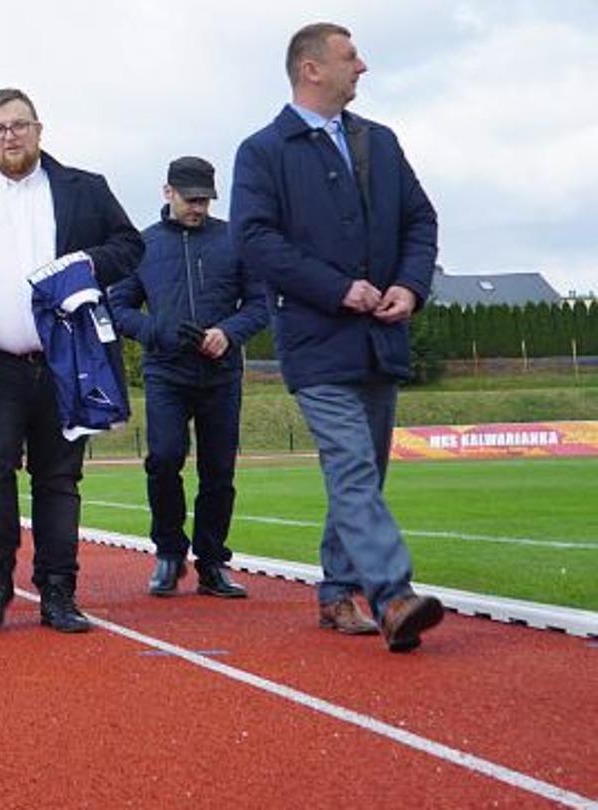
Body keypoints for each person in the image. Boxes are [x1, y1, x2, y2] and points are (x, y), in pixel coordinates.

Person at [231, 22, 444, 652]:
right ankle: (393, 594)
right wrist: (336, 288)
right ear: (311, 69)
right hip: (316, 340)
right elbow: (255, 238)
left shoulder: (379, 142)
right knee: (352, 465)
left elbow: (420, 218)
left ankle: (335, 593)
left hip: (380, 339)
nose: (364, 66)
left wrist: (410, 285)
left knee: (362, 475)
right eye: (351, 56)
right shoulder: (264, 151)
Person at [0, 88, 142, 635]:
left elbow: (131, 246)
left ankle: (58, 591)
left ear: (39, 129)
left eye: (19, 125)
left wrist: (86, 262)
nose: (10, 136)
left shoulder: (87, 189)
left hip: (69, 362)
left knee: (59, 479)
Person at [107, 157, 269, 598]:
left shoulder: (234, 240)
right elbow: (117, 307)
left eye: (205, 200)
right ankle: (168, 553)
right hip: (165, 371)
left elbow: (260, 304)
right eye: (190, 199)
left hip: (221, 374)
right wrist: (154, 332)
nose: (198, 208)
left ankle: (212, 563)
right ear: (168, 193)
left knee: (219, 470)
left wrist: (228, 334)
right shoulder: (143, 246)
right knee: (164, 458)